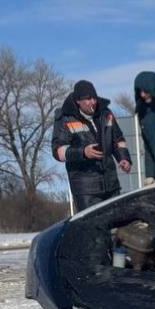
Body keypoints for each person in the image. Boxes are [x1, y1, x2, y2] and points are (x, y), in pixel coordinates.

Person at [51, 79, 131, 211]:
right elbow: (58, 151)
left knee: (117, 225)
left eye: (94, 98)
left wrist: (124, 158)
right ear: (78, 101)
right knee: (94, 229)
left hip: (111, 185)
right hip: (86, 191)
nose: (92, 102)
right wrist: (83, 152)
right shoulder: (65, 118)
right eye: (87, 99)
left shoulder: (106, 114)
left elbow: (118, 140)